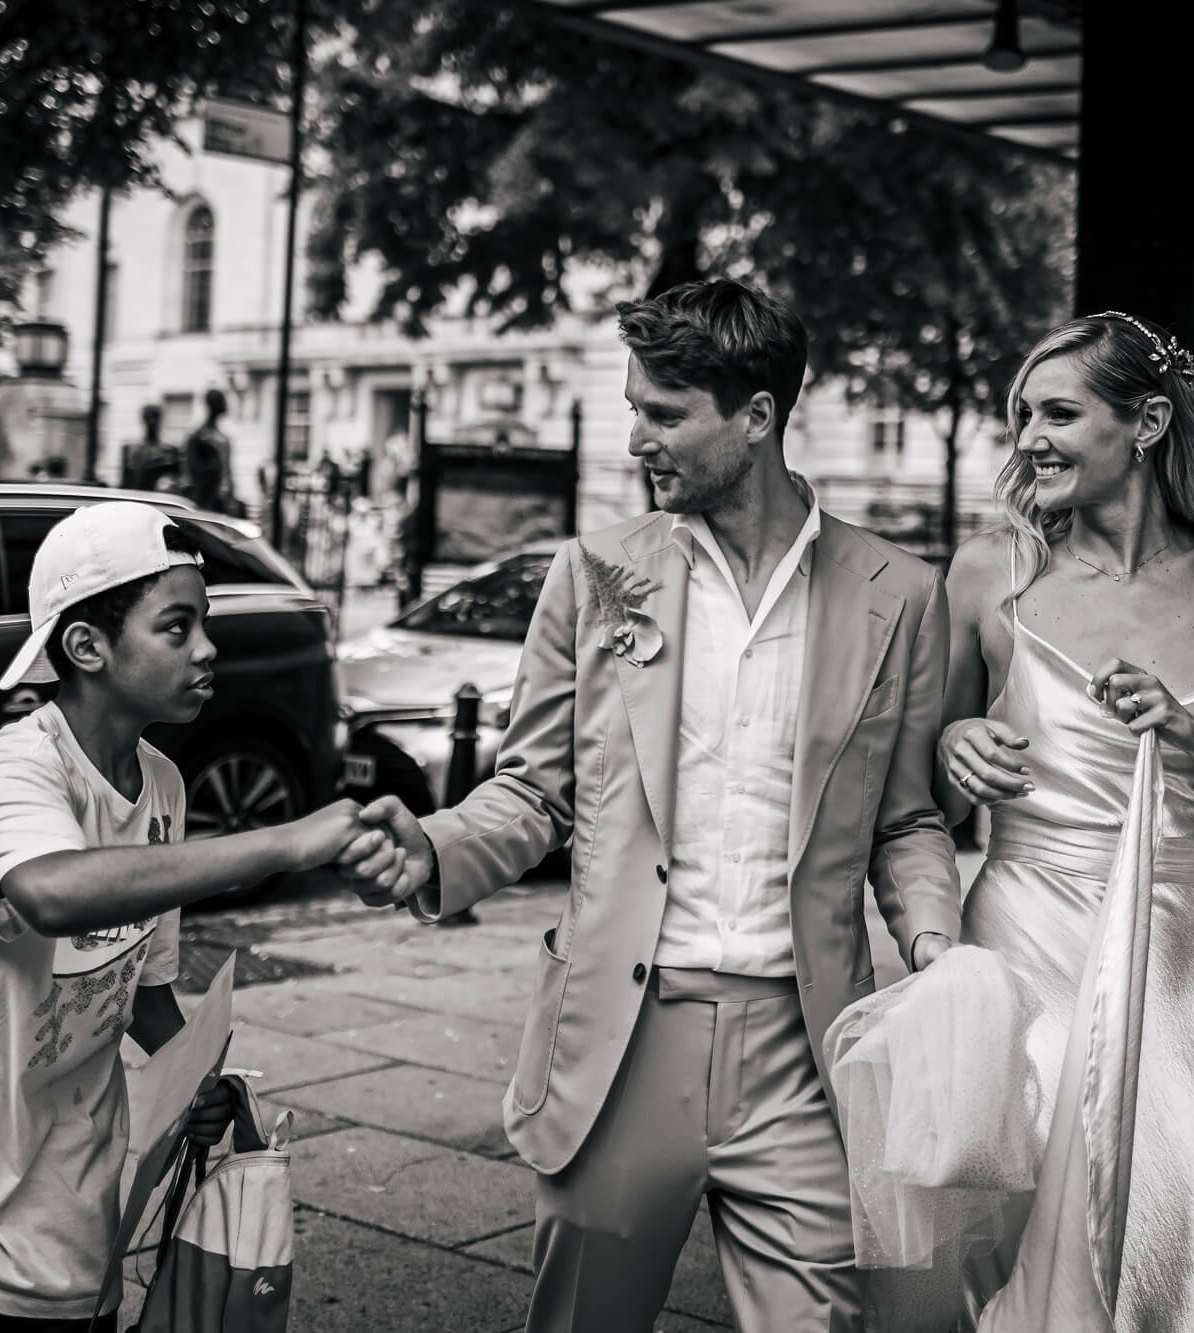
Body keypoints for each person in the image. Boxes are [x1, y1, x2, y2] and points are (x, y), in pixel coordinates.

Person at [344, 280, 964, 1333]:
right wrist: (435, 849)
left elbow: (903, 819)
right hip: (624, 1040)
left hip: (802, 1049)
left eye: (663, 413)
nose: (637, 439)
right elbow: (533, 790)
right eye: (634, 408)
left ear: (755, 418)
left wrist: (935, 941)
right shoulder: (593, 576)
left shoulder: (899, 593)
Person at [0, 501, 406, 1331]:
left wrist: (197, 1078)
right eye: (176, 627)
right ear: (87, 646)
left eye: (207, 623)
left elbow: (141, 985)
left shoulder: (162, 785)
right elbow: (53, 891)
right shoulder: (11, 769)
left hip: (56, 1175)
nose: (207, 649)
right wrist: (285, 843)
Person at [930, 312, 1194, 1330]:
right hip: (1019, 938)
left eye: (1057, 412)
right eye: (1020, 415)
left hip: (1172, 950)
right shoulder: (990, 573)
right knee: (1018, 1236)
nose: (1028, 438)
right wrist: (950, 749)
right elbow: (912, 807)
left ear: (1145, 422)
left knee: (1150, 1233)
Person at [183, 388, 236, 514]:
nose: (225, 404)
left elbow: (228, 471)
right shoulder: (198, 437)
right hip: (205, 501)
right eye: (222, 400)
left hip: (223, 502)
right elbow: (193, 470)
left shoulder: (223, 438)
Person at [124, 403, 180, 491]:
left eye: (155, 417)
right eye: (148, 418)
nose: (152, 422)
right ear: (143, 420)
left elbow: (176, 481)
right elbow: (126, 484)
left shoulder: (171, 451)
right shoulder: (132, 451)